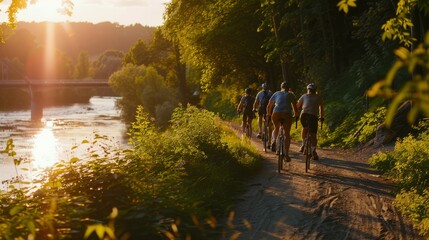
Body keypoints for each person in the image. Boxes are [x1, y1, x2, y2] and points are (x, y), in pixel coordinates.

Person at [266, 81, 298, 162]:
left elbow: (269, 105)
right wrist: (296, 115)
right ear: (288, 88)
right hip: (286, 113)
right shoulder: (291, 94)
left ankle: (273, 141)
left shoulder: (276, 93)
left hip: (276, 112)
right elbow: (295, 107)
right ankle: (286, 154)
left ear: (281, 87)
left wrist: (269, 114)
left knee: (276, 128)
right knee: (286, 134)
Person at [296, 83, 324, 160]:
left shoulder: (304, 96)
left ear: (308, 90)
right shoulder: (319, 97)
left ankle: (303, 144)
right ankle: (314, 151)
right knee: (313, 134)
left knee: (304, 128)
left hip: (304, 116)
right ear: (315, 90)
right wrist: (321, 117)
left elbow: (297, 106)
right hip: (313, 117)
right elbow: (321, 109)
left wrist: (297, 113)